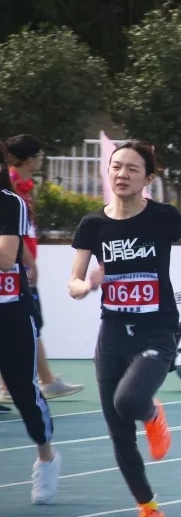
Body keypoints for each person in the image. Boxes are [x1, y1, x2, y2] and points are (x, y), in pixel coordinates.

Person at [69, 140, 181, 517]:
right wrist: (87, 285)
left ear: (147, 178)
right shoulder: (93, 224)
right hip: (112, 334)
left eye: (132, 168)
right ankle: (149, 509)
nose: (122, 174)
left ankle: (152, 413)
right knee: (118, 432)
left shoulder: (164, 217)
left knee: (129, 401)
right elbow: (73, 282)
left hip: (156, 330)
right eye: (116, 166)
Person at [2, 134, 83, 403]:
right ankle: (38, 381)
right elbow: (12, 231)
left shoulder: (21, 186)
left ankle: (32, 381)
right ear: (29, 159)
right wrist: (28, 261)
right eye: (39, 155)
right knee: (27, 322)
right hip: (13, 267)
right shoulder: (10, 187)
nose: (41, 160)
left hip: (18, 264)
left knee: (27, 322)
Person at [0, 145, 60, 504]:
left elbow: (6, 257)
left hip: (10, 313)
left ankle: (46, 456)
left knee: (23, 390)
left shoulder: (11, 203)